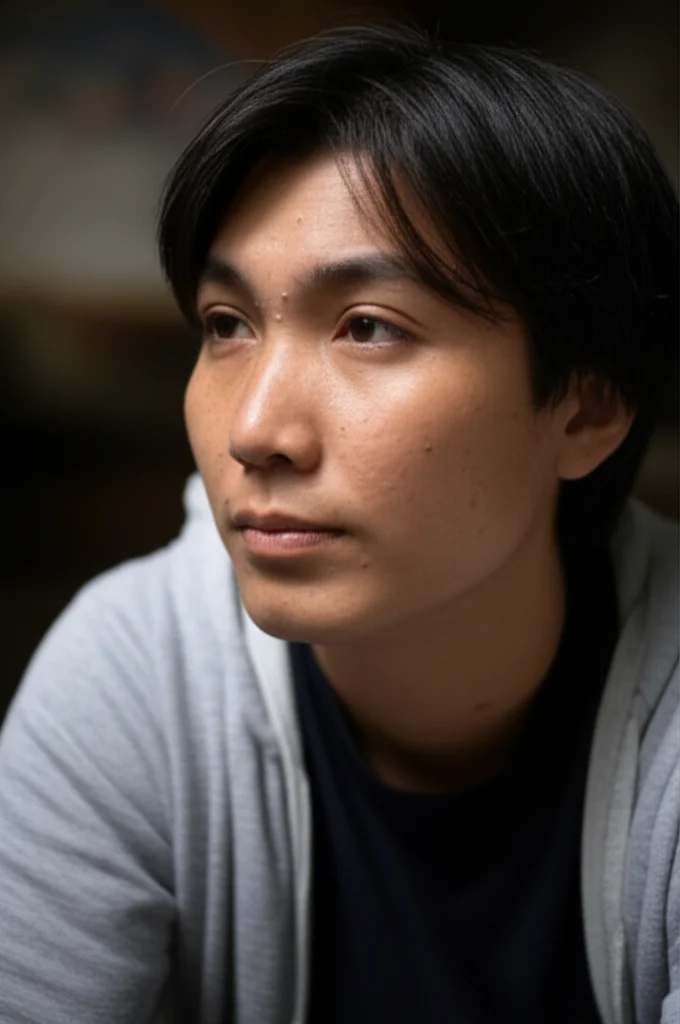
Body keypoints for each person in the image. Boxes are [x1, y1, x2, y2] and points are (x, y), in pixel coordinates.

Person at [0, 23, 677, 1024]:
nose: (255, 429)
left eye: (367, 326)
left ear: (582, 408)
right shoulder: (138, 670)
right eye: (226, 325)